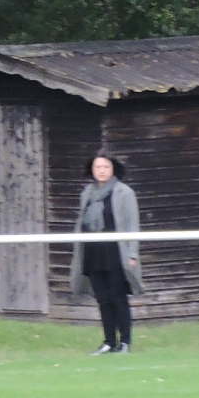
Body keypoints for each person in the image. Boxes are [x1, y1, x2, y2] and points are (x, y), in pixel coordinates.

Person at [67, 152, 142, 355]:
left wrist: (132, 254)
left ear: (113, 169)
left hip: (115, 252)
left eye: (106, 167)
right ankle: (109, 341)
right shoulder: (87, 192)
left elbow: (132, 224)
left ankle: (124, 342)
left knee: (118, 298)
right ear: (92, 170)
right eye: (98, 167)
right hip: (93, 252)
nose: (101, 171)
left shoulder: (124, 192)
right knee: (103, 299)